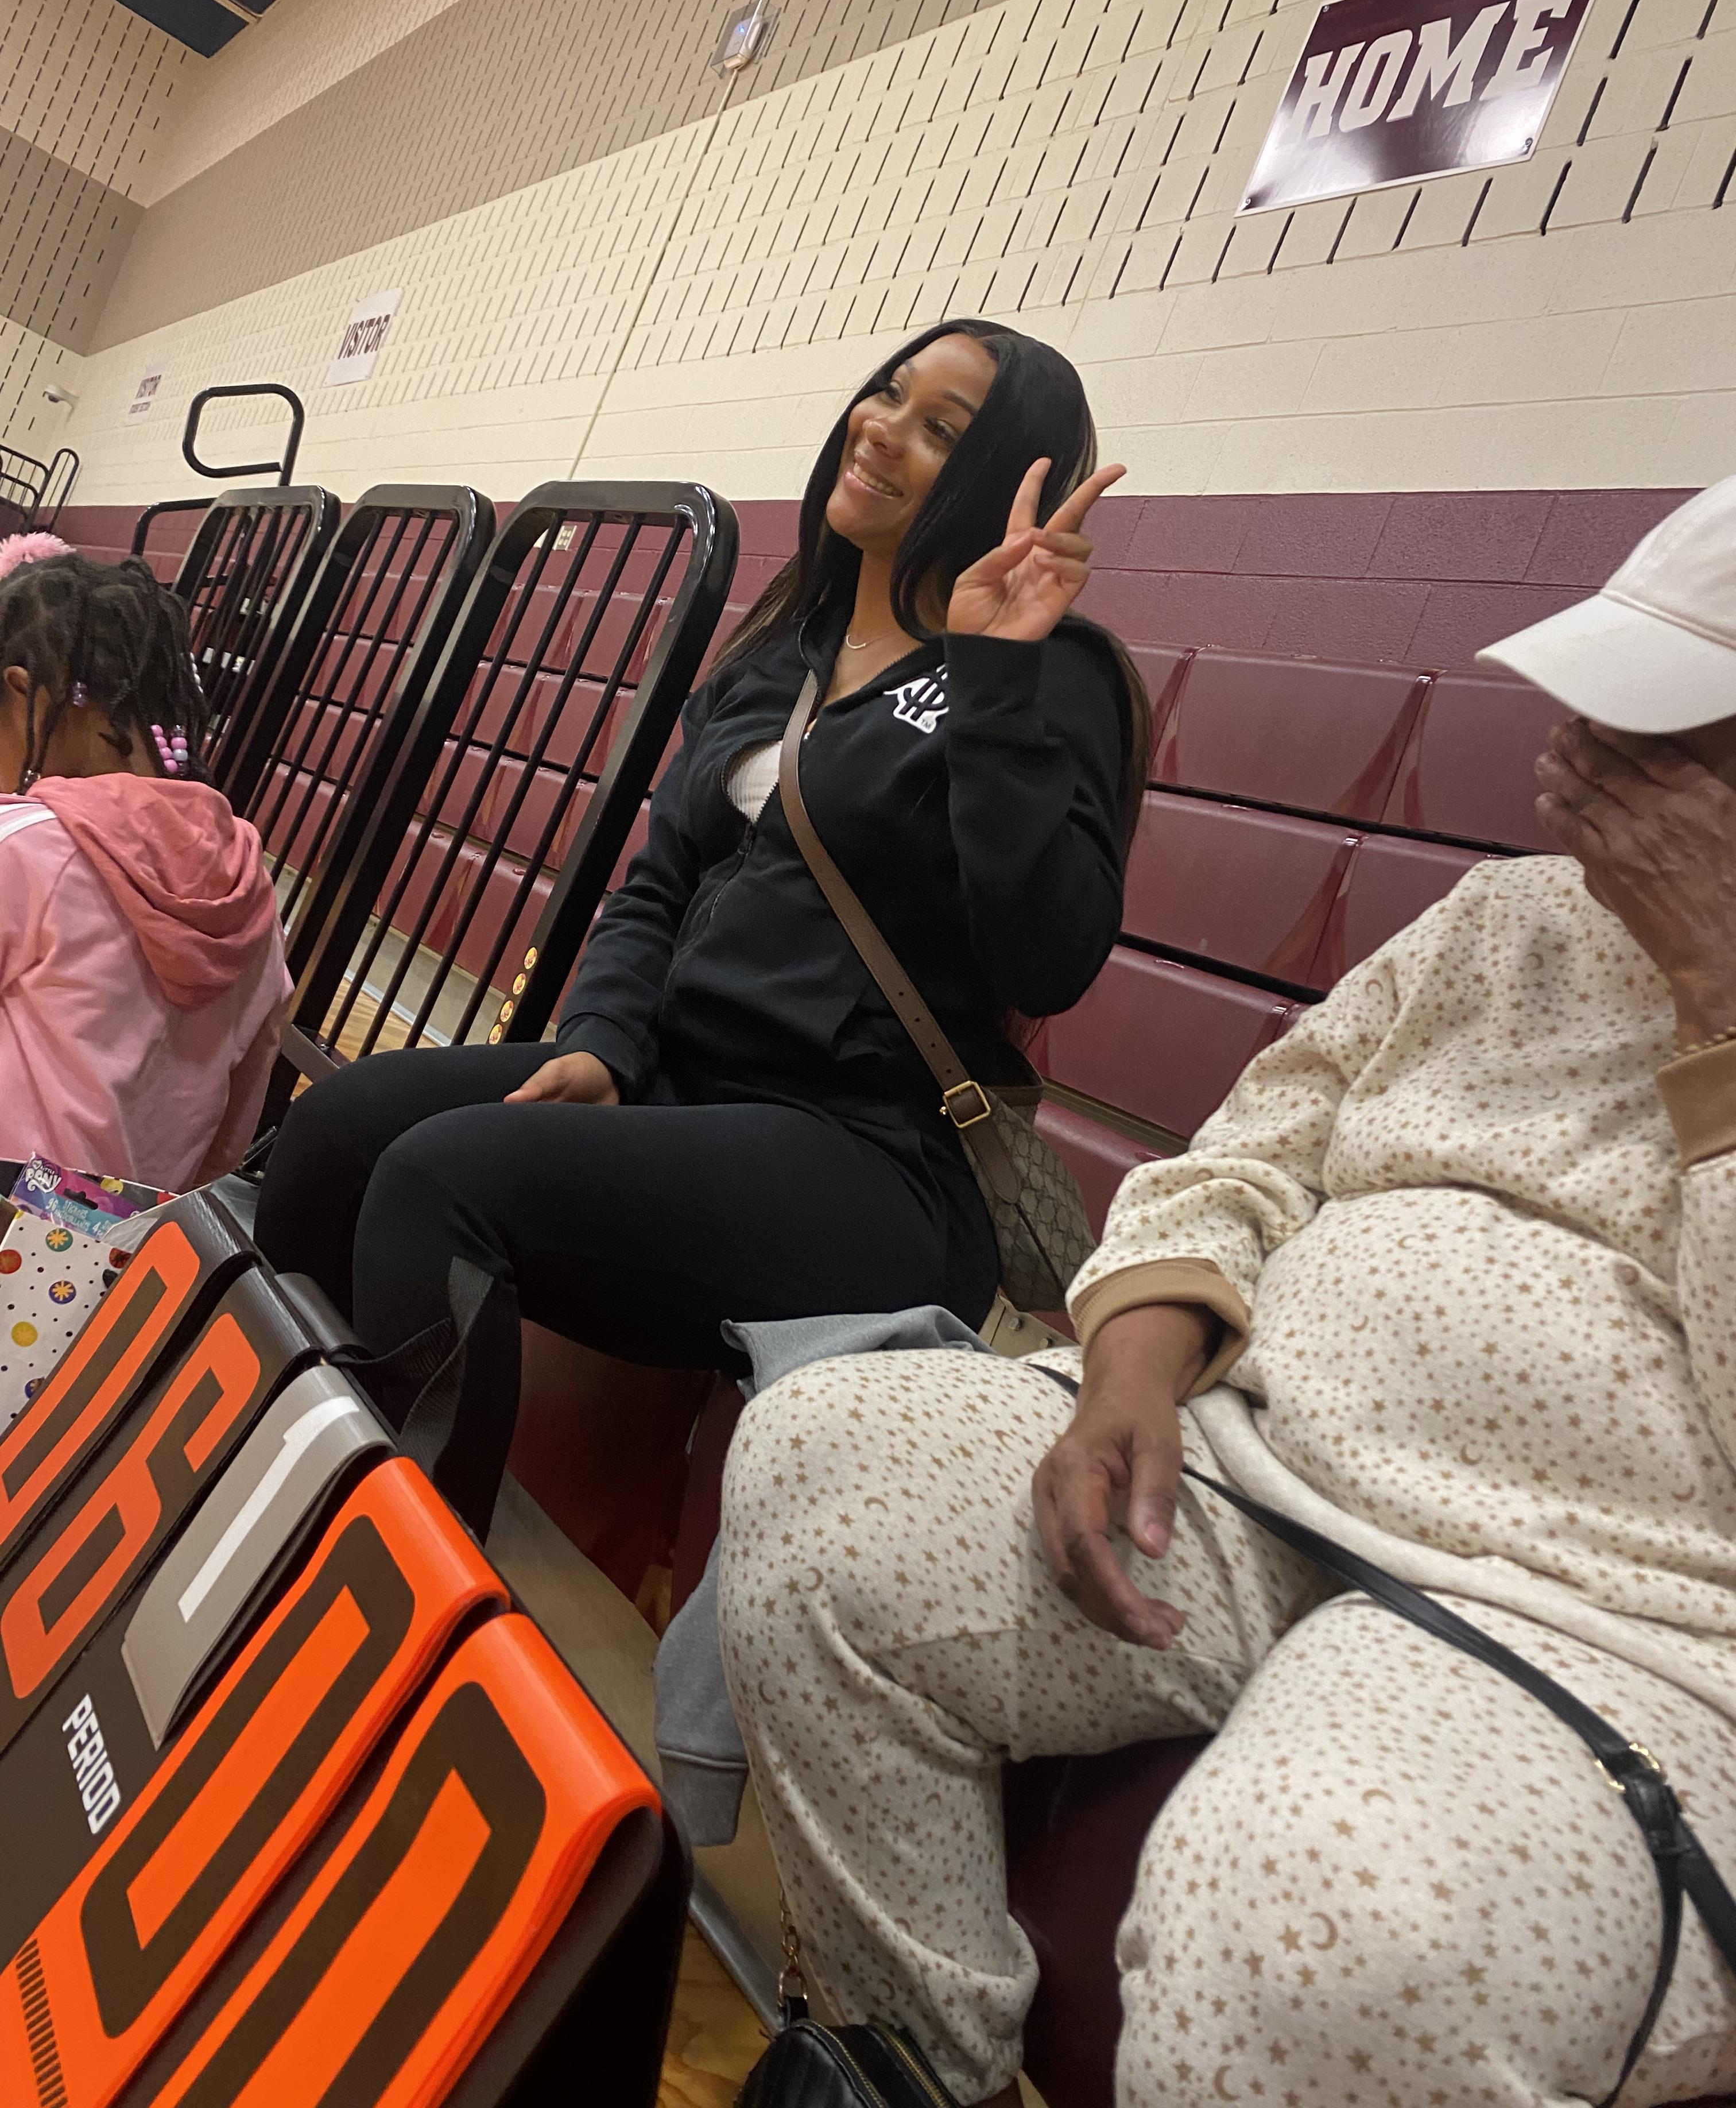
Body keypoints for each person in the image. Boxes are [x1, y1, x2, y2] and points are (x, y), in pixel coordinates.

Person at [716, 474, 1736, 2108]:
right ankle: (917, 2067)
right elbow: (1247, 1156)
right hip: (1257, 1465)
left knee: (1322, 1921)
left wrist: (1717, 996)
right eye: (1595, 705)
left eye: (1666, 737)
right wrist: (1135, 1353)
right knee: (820, 1467)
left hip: (1608, 1618)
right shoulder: (1514, 915)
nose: (1583, 760)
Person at [254, 320, 1150, 1537]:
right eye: (887, 394)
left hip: (864, 1155)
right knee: (338, 1134)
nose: (882, 426)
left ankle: (395, 1595)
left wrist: (995, 685)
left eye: (942, 427)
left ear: (1009, 480)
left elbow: (1049, 957)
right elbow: (655, 882)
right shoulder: (783, 652)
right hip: (678, 1084)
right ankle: (270, 1480)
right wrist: (606, 1040)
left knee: (439, 1180)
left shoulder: (1054, 676)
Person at [0, 549, 291, 1191]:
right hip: (122, 1247)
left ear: (24, 698)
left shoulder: (23, 847)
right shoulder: (251, 884)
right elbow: (237, 1116)